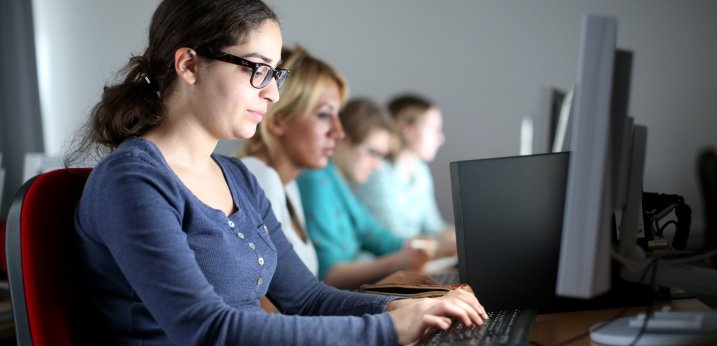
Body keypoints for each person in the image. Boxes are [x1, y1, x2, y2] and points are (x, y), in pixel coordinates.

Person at [67, 0, 486, 344]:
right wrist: (389, 328)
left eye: (275, 72)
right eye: (256, 69)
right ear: (189, 65)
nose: (272, 92)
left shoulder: (238, 178)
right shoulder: (133, 181)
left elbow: (305, 297)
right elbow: (205, 329)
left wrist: (401, 308)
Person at [297, 98, 437, 289]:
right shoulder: (316, 181)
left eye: (382, 156)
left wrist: (420, 248)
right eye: (372, 152)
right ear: (343, 139)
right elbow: (329, 275)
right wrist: (399, 262)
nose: (377, 165)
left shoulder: (337, 182)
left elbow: (376, 236)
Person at [235, 44, 346, 277]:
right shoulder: (260, 179)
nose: (338, 132)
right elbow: (271, 310)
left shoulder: (288, 184)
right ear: (278, 120)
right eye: (325, 115)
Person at [350, 93, 454, 242]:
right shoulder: (377, 172)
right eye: (434, 129)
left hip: (413, 257)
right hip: (385, 261)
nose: (440, 138)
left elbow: (434, 227)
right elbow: (393, 238)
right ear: (406, 129)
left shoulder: (420, 172)